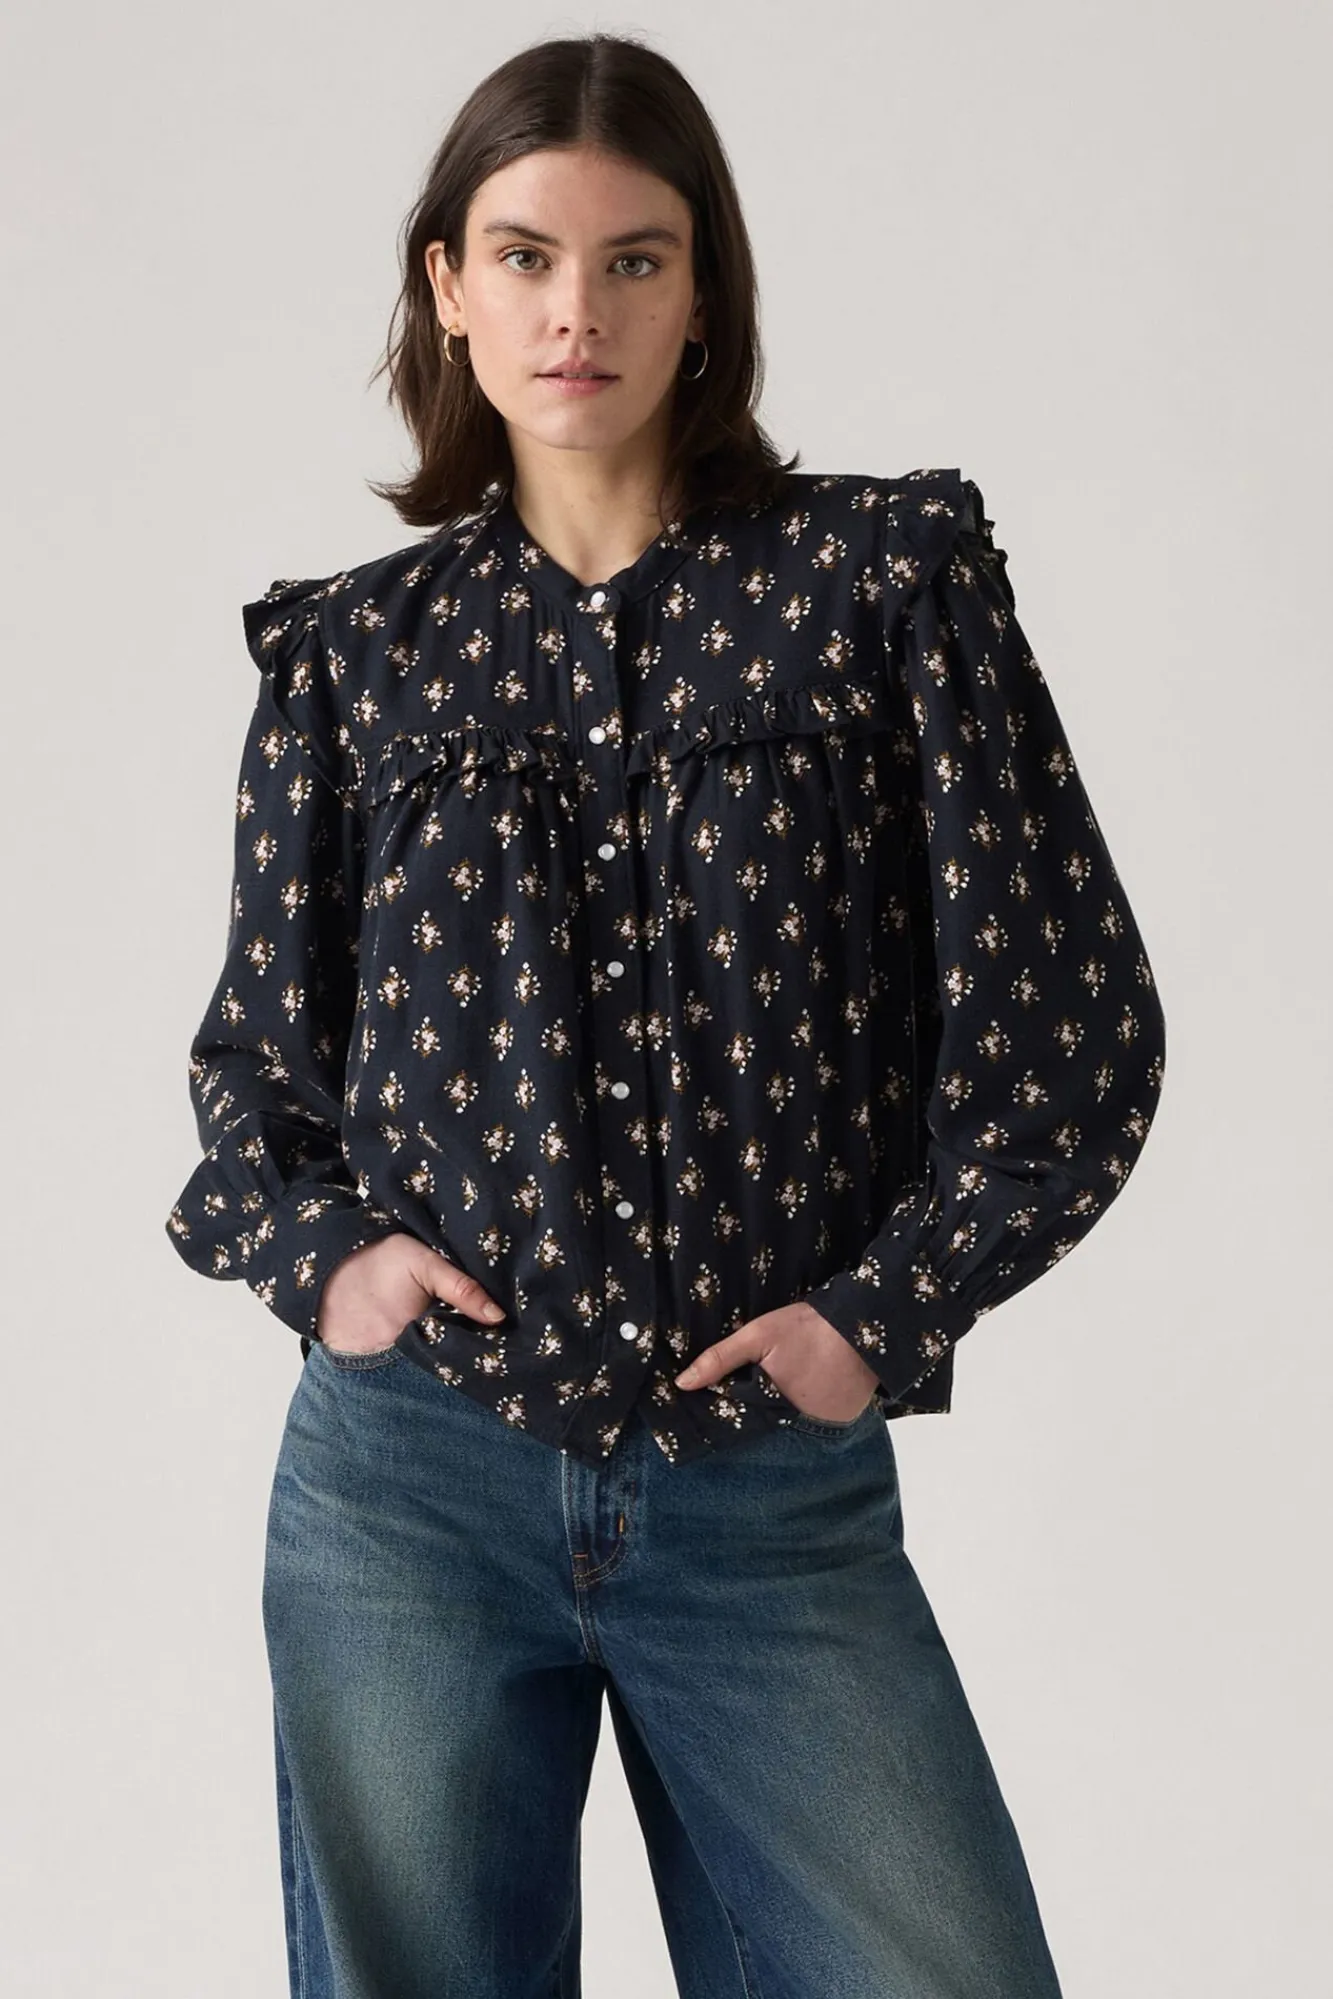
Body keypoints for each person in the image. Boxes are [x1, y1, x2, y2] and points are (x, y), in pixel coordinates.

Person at [164, 30, 1166, 1998]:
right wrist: (335, 1264)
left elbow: (1070, 1030)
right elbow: (257, 1065)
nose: (578, 312)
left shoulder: (881, 589)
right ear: (449, 287)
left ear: (705, 290)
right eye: (525, 257)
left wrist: (880, 1314)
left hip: (766, 1493)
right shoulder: (357, 659)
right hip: (410, 1488)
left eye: (635, 259)